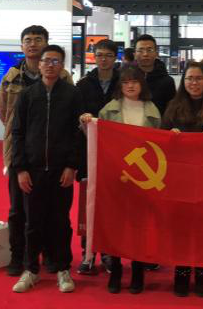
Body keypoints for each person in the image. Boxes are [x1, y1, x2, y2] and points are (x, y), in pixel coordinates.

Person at [0, 25, 72, 277]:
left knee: (50, 209)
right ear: (22, 46)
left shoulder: (63, 78)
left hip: (53, 155)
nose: (33, 44)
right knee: (18, 209)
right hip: (20, 153)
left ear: (46, 44)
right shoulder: (11, 77)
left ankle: (49, 254)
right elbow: (3, 111)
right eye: (28, 40)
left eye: (38, 40)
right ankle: (18, 257)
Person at [80, 65, 161, 294]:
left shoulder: (152, 111)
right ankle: (115, 269)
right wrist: (87, 123)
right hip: (115, 176)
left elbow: (158, 146)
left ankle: (137, 270)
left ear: (142, 84)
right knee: (115, 225)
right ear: (120, 85)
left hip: (143, 179)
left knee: (139, 227)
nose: (130, 86)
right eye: (125, 82)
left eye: (134, 81)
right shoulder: (109, 109)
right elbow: (96, 138)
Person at [10, 45, 83, 294]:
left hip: (62, 171)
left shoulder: (72, 95)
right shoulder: (27, 95)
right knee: (32, 222)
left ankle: (63, 269)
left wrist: (72, 166)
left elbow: (78, 134)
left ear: (62, 66)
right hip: (33, 170)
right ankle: (31, 270)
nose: (50, 65)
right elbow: (17, 133)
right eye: (46, 60)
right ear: (39, 64)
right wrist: (20, 169)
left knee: (61, 222)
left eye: (56, 61)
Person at [162, 61, 203, 298]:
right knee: (181, 228)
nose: (194, 83)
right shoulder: (173, 107)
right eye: (189, 78)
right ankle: (181, 272)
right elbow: (159, 140)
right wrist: (170, 136)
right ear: (184, 81)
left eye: (199, 78)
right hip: (180, 179)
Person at [75, 39, 120, 275]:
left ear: (115, 57)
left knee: (112, 206)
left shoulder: (123, 83)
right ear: (94, 56)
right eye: (100, 55)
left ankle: (110, 253)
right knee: (88, 205)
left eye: (108, 55)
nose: (104, 59)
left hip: (117, 155)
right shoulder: (83, 84)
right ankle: (88, 253)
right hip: (89, 153)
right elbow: (75, 116)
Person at [134, 34, 176, 116]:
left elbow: (171, 112)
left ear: (156, 53)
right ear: (135, 54)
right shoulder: (127, 80)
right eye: (141, 50)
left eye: (149, 50)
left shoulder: (167, 81)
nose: (145, 54)